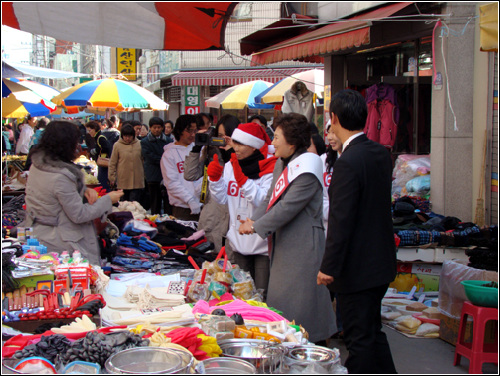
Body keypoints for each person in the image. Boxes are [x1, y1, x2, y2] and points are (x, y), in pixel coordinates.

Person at [317, 89, 397, 374]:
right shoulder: (378, 153)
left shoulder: (348, 162)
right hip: (381, 263)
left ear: (334, 118)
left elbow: (342, 220)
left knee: (358, 339)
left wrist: (328, 267)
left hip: (358, 269)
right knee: (372, 333)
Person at [239, 113, 336, 344]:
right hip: (284, 242)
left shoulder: (308, 168)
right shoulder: (283, 162)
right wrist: (252, 220)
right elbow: (271, 199)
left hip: (304, 245)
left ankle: (313, 348)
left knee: (303, 304)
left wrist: (256, 227)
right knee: (283, 302)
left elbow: (287, 208)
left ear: (292, 143)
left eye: (277, 138)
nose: (273, 143)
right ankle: (287, 345)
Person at [22, 121, 123, 265]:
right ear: (66, 145)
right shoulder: (60, 176)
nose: (77, 146)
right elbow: (79, 214)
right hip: (59, 241)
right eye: (75, 142)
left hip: (40, 234)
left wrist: (83, 189)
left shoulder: (38, 166)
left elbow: (53, 193)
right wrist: (107, 199)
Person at [207, 122, 276, 294]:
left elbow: (263, 202)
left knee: (261, 294)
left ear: (254, 146)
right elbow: (222, 198)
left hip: (262, 244)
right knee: (240, 293)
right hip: (237, 243)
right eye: (234, 143)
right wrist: (215, 180)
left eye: (240, 144)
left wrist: (243, 181)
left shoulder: (271, 167)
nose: (234, 148)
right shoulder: (231, 165)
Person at [184, 114, 239, 256]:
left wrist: (233, 152)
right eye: (220, 136)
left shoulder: (243, 154)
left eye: (228, 136)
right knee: (209, 259)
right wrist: (197, 148)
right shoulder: (211, 151)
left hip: (232, 214)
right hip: (212, 214)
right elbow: (190, 175)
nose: (223, 140)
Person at [160, 114, 202, 221]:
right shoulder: (169, 154)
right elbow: (171, 183)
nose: (193, 134)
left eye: (195, 131)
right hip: (182, 207)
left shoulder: (199, 149)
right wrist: (189, 200)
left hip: (202, 205)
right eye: (189, 131)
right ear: (179, 131)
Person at [141, 117, 172, 215]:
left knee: (168, 202)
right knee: (155, 202)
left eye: (159, 127)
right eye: (154, 127)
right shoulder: (145, 141)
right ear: (150, 128)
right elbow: (149, 156)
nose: (157, 130)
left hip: (167, 175)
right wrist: (164, 160)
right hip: (153, 175)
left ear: (162, 128)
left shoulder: (169, 141)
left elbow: (171, 155)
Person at [108, 124, 145, 203]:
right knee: (123, 204)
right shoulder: (117, 145)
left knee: (135, 204)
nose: (127, 138)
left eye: (129, 136)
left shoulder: (140, 144)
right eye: (125, 136)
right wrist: (112, 177)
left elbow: (143, 160)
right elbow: (112, 162)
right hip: (123, 180)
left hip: (137, 180)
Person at [85, 120, 112, 192]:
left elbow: (106, 148)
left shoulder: (100, 137)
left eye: (90, 130)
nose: (89, 132)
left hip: (103, 162)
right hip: (103, 163)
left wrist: (95, 151)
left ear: (94, 129)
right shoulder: (99, 137)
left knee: (102, 181)